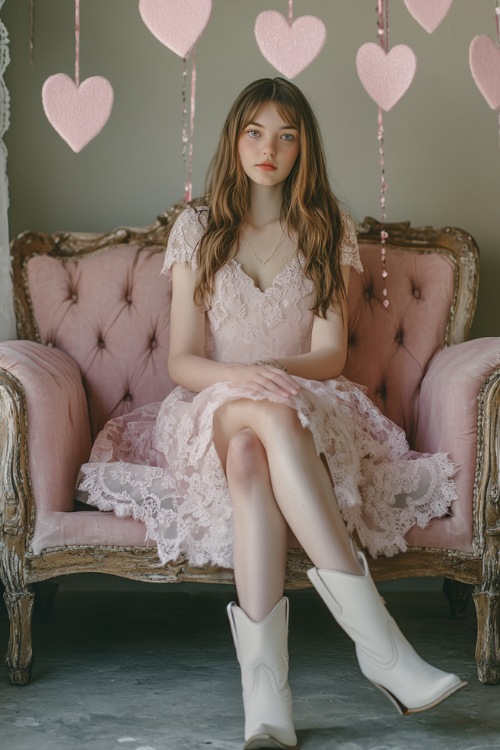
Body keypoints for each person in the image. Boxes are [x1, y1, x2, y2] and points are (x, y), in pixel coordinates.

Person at [78, 78, 466, 750]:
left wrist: (272, 375)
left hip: (305, 401)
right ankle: (383, 651)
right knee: (255, 417)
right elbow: (183, 361)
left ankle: (267, 697)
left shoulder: (325, 226)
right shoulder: (197, 229)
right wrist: (243, 378)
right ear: (234, 140)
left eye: (287, 135)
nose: (270, 148)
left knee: (262, 445)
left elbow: (326, 354)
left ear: (302, 148)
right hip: (211, 404)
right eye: (256, 132)